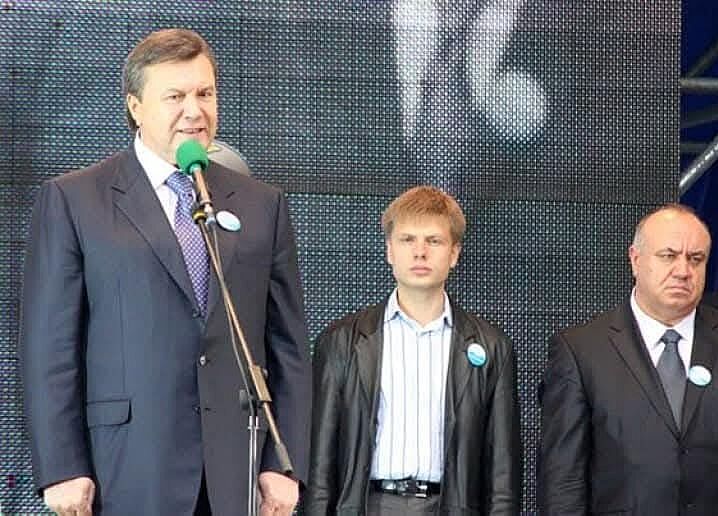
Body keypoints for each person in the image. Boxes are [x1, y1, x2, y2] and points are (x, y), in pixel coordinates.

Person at [19, 28, 311, 516]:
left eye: (205, 94)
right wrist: (62, 466)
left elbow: (289, 348)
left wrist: (284, 463)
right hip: (126, 467)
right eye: (175, 96)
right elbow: (49, 348)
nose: (195, 111)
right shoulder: (75, 200)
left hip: (234, 471)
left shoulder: (262, 205)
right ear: (135, 107)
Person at [304, 186, 521, 515]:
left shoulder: (492, 346)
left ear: (454, 253)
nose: (420, 252)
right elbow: (320, 464)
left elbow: (503, 473)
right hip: (367, 505)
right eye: (407, 240)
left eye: (434, 241)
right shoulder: (341, 341)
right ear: (390, 250)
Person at [539, 204, 718, 515]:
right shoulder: (581, 350)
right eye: (668, 256)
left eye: (696, 259)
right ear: (635, 259)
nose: (683, 271)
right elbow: (563, 481)